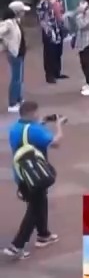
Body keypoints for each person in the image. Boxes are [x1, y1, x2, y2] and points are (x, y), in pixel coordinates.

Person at [5, 101, 61, 259]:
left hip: (21, 173)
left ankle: (44, 235)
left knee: (40, 202)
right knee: (35, 209)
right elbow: (56, 143)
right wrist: (59, 126)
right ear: (33, 113)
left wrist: (43, 122)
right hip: (37, 174)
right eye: (37, 113)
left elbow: (27, 134)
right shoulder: (35, 130)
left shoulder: (15, 128)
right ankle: (17, 245)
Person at [1, 2, 28, 114]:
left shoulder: (16, 21)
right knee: (16, 79)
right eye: (22, 11)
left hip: (20, 53)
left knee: (20, 78)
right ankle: (12, 103)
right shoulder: (8, 23)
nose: (24, 13)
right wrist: (5, 43)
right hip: (14, 54)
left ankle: (19, 99)